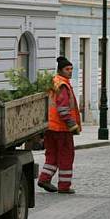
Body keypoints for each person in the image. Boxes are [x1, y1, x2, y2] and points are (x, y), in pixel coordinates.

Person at [38, 56, 82, 194]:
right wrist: (72, 125)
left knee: (52, 154)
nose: (70, 72)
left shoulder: (53, 82)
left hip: (50, 127)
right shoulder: (63, 85)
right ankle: (64, 186)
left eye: (71, 69)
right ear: (60, 70)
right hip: (61, 128)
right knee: (66, 156)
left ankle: (44, 178)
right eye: (67, 69)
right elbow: (63, 109)